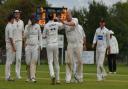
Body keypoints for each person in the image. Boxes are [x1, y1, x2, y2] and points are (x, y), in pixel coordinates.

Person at [60, 10, 83, 83]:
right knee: (68, 61)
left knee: (80, 61)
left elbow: (72, 24)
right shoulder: (64, 23)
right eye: (66, 16)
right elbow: (59, 27)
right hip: (70, 44)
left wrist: (64, 22)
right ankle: (68, 78)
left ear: (71, 15)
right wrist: (55, 22)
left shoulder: (75, 20)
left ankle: (79, 76)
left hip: (78, 44)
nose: (67, 17)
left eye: (68, 15)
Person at [43, 14, 63, 84]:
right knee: (56, 62)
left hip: (49, 44)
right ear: (53, 18)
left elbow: (44, 36)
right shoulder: (56, 23)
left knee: (50, 62)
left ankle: (52, 75)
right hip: (56, 44)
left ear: (48, 18)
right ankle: (58, 79)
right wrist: (58, 20)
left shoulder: (46, 25)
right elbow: (62, 25)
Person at [24, 15, 42, 82]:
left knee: (33, 62)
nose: (34, 20)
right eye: (33, 19)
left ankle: (33, 77)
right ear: (31, 19)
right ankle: (28, 77)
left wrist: (40, 45)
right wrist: (28, 27)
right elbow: (25, 35)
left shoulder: (38, 26)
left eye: (35, 19)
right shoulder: (27, 26)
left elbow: (40, 36)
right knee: (28, 62)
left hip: (35, 46)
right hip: (28, 46)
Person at [13, 10, 24, 79]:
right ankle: (8, 75)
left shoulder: (22, 22)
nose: (17, 14)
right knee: (11, 59)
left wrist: (23, 41)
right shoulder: (12, 22)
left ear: (19, 14)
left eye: (18, 13)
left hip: (19, 41)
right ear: (14, 14)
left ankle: (18, 74)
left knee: (19, 58)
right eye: (16, 13)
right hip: (13, 42)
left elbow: (23, 32)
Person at [5, 14, 16, 81]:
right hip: (10, 45)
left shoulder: (8, 26)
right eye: (13, 19)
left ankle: (8, 76)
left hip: (8, 44)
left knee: (9, 61)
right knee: (9, 61)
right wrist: (13, 47)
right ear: (11, 19)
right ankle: (7, 76)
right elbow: (11, 38)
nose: (14, 20)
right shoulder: (10, 26)